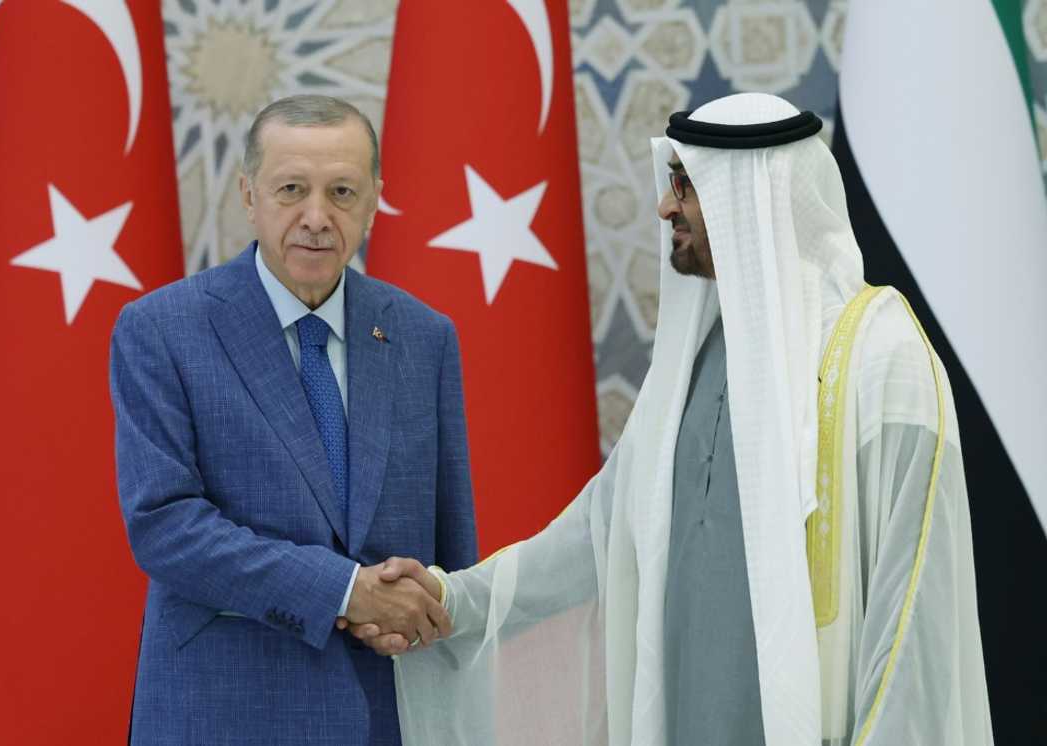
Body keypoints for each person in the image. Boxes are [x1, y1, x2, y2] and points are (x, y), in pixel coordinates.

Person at [353, 93, 992, 745]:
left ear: (752, 194)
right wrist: (451, 600)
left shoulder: (881, 356)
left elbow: (915, 614)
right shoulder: (699, 357)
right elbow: (598, 536)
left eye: (685, 185)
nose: (665, 206)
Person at [109, 94, 477, 746]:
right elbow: (164, 527)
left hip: (392, 715)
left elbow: (452, 548)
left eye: (341, 192)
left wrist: (431, 609)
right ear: (248, 196)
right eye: (291, 190)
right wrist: (344, 591)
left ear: (373, 202)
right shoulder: (161, 330)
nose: (316, 217)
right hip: (223, 713)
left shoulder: (426, 337)